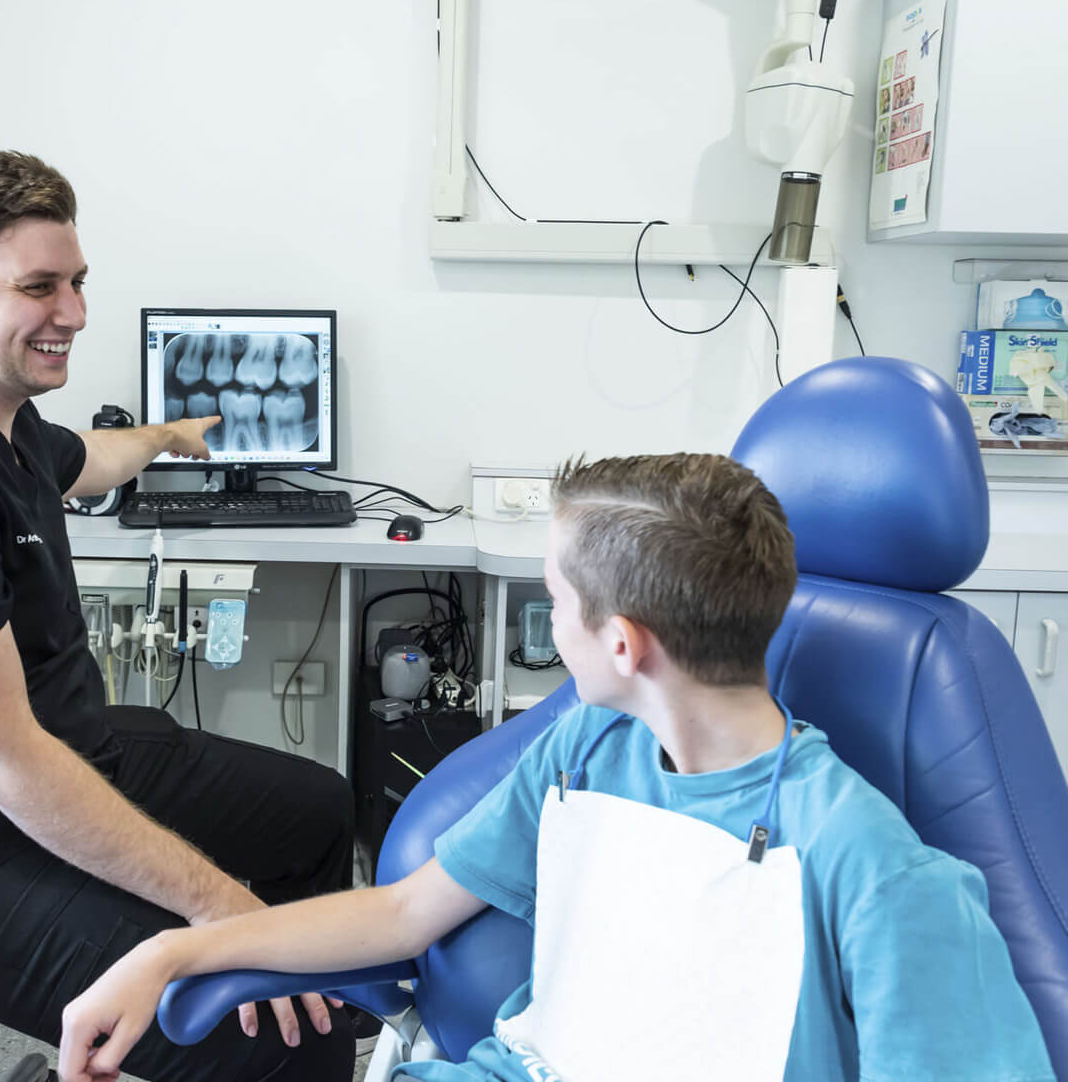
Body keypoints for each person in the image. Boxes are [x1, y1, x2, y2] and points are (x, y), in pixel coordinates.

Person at [60, 453, 1054, 1082]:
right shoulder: (591, 746)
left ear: (621, 646)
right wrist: (172, 952)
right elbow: (405, 913)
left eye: (553, 600)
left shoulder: (875, 873)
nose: (553, 627)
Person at [0, 148, 358, 1081]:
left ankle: (267, 996)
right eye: (40, 286)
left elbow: (93, 460)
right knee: (295, 1041)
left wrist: (171, 436)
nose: (73, 312)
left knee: (321, 809)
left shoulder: (2, 413)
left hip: (79, 755)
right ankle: (264, 1026)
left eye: (77, 282)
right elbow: (6, 760)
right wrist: (221, 907)